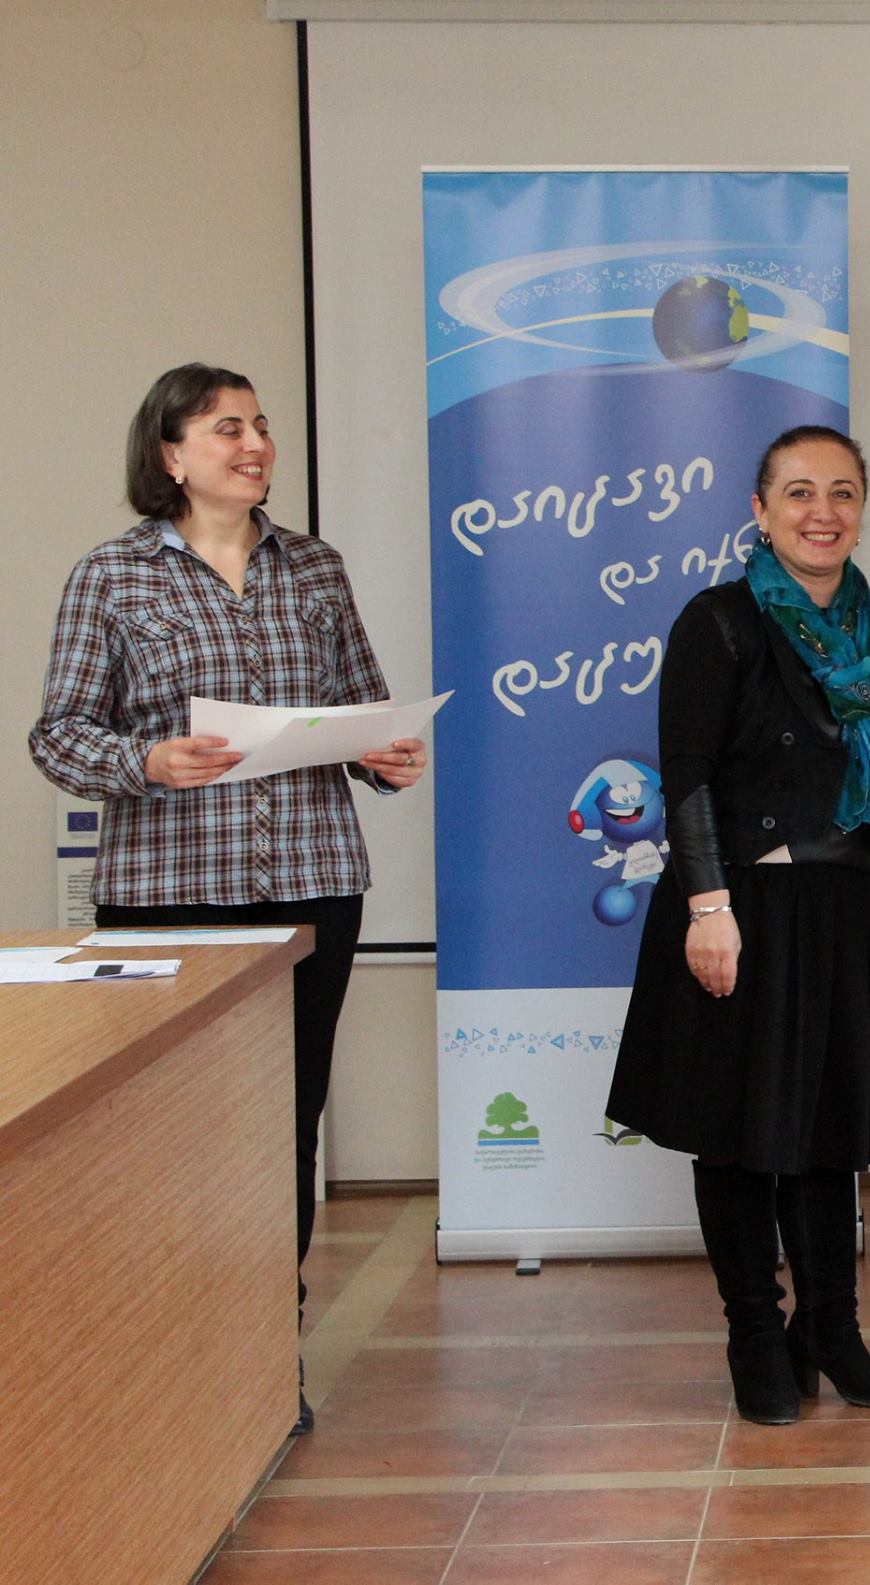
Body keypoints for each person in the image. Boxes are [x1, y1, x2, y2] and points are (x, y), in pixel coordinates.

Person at [29, 363, 426, 1435]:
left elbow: (359, 710)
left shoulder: (316, 567)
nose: (253, 445)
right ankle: (169, 1358)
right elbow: (58, 734)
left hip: (312, 886)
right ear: (170, 455)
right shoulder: (111, 574)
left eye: (260, 426)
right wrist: (147, 760)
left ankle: (263, 1361)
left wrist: (386, 755)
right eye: (225, 428)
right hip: (170, 896)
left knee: (283, 1127)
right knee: (172, 1139)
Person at [606, 425, 870, 1426]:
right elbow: (685, 775)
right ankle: (754, 1335)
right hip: (742, 907)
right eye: (801, 492)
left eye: (843, 492)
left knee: (828, 1133)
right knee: (737, 1135)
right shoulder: (719, 622)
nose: (824, 512)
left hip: (853, 908)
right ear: (761, 510)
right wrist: (708, 907)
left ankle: (830, 1329)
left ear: (862, 508)